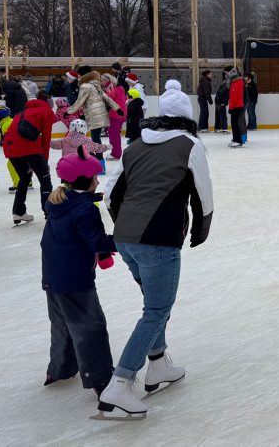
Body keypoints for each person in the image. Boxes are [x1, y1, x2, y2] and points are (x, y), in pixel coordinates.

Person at [100, 79, 214, 417]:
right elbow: (203, 192)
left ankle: (159, 364)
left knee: (154, 304)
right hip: (158, 240)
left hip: (126, 238)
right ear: (187, 117)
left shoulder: (135, 145)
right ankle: (120, 384)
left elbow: (110, 195)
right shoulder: (190, 144)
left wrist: (127, 227)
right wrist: (201, 229)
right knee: (157, 310)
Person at [41, 145, 116, 400]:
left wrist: (90, 199)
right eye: (95, 177)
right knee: (90, 327)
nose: (98, 181)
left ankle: (60, 369)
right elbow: (97, 242)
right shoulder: (85, 210)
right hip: (75, 279)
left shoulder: (57, 202)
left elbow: (74, 214)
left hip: (53, 276)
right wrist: (127, 240)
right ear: (85, 180)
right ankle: (100, 378)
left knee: (62, 324)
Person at [4, 97, 56, 226]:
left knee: (24, 178)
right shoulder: (47, 112)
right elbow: (46, 139)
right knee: (45, 179)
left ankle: (18, 211)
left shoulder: (22, 111)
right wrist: (45, 161)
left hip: (9, 147)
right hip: (29, 148)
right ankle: (49, 213)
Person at [67, 67, 123, 162]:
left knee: (95, 138)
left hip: (94, 115)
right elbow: (105, 97)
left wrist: (68, 111)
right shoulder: (95, 83)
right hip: (99, 114)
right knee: (95, 138)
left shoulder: (85, 86)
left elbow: (79, 101)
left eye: (79, 74)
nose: (78, 76)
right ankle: (99, 159)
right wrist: (117, 108)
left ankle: (99, 160)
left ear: (83, 75)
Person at [101, 74, 127, 161]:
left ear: (107, 81)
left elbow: (107, 99)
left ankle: (116, 154)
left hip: (116, 115)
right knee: (115, 134)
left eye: (102, 81)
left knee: (113, 134)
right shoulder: (120, 88)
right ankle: (116, 152)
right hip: (121, 114)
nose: (101, 82)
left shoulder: (112, 89)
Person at [228, 72, 247, 148]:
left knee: (235, 124)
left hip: (236, 107)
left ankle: (238, 140)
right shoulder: (239, 83)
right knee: (235, 124)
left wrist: (230, 108)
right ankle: (236, 139)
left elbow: (233, 98)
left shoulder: (235, 85)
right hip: (238, 106)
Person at [213, 68, 229, 134]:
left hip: (218, 100)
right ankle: (223, 128)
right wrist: (225, 102)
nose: (225, 74)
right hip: (220, 100)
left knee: (219, 115)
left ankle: (218, 127)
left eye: (226, 73)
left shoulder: (224, 82)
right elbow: (227, 94)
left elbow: (226, 94)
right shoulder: (226, 83)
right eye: (225, 73)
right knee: (222, 115)